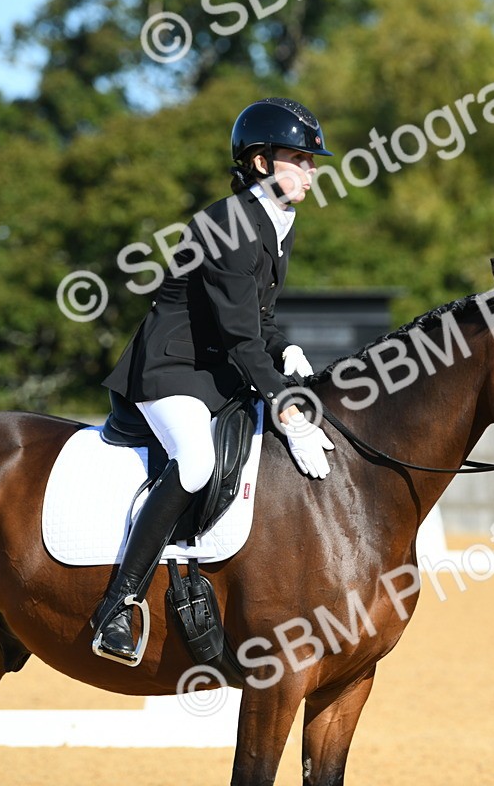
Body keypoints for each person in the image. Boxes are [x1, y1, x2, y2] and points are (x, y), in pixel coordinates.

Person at [92, 97, 336, 666]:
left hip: (217, 368)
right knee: (197, 461)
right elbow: (238, 338)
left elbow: (261, 322)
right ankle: (118, 604)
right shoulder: (228, 223)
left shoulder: (279, 222)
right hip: (170, 368)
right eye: (298, 157)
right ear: (258, 162)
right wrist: (286, 407)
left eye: (312, 158)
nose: (311, 168)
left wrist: (289, 351)